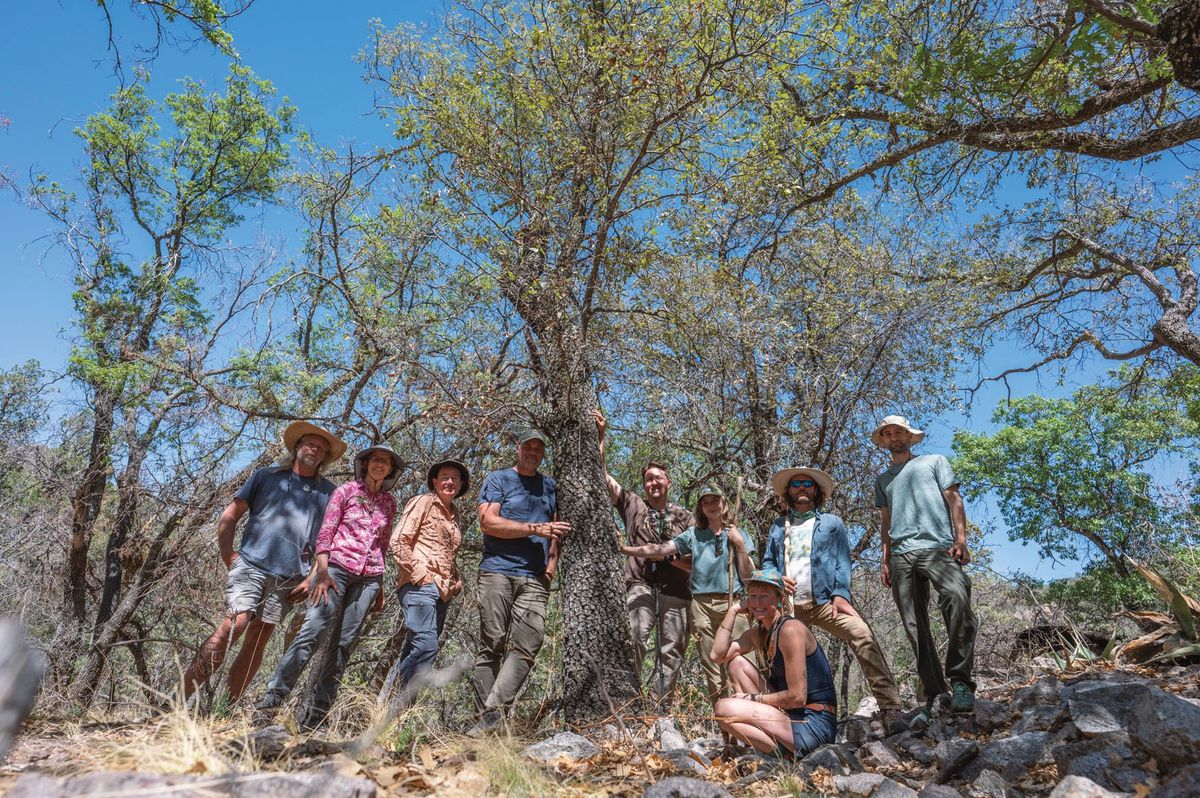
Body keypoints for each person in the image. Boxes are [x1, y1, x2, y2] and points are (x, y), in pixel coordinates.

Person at [181, 421, 345, 704]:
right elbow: (230, 515)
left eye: (320, 449)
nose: (314, 450)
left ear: (324, 458)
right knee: (236, 623)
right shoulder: (266, 476)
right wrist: (228, 555)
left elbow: (327, 539)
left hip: (290, 578)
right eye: (309, 444)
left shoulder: (329, 493)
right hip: (252, 565)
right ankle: (176, 700)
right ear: (297, 447)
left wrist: (311, 578)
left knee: (258, 638)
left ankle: (225, 709)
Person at [257, 444, 403, 727]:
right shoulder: (346, 491)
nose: (380, 465)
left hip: (370, 577)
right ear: (365, 464)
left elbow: (382, 545)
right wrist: (321, 571)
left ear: (390, 470)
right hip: (335, 569)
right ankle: (270, 704)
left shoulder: (389, 502)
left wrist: (381, 583)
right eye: (375, 460)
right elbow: (326, 532)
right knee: (312, 631)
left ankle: (316, 718)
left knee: (344, 643)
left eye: (386, 462)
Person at [762, 466, 905, 734]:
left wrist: (841, 594)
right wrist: (775, 578)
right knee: (777, 660)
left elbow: (842, 561)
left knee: (862, 635)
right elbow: (769, 562)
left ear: (815, 490)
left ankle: (890, 708)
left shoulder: (831, 524)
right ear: (788, 491)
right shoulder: (779, 527)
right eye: (796, 484)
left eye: (807, 483)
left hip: (825, 603)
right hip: (789, 608)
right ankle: (782, 720)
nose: (801, 488)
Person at [873, 414, 979, 715]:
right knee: (913, 624)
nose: (894, 438)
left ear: (909, 436)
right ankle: (935, 692)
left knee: (957, 597)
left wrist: (961, 539)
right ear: (883, 441)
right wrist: (885, 559)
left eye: (899, 433)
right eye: (888, 434)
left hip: (937, 547)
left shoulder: (934, 462)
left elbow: (954, 499)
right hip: (901, 555)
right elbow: (886, 521)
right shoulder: (883, 480)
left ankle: (960, 680)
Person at [470, 430, 570, 734]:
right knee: (492, 645)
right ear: (518, 449)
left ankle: (491, 717)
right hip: (497, 571)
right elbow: (488, 522)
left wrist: (551, 566)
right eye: (528, 446)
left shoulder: (550, 485)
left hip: (536, 578)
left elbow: (558, 529)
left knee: (529, 642)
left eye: (539, 448)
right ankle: (486, 728)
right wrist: (534, 528)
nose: (533, 452)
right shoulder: (499, 479)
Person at [593, 410, 693, 705]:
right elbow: (603, 477)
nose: (653, 483)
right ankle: (628, 700)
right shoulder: (633, 505)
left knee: (671, 649)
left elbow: (693, 559)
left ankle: (659, 709)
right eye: (648, 479)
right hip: (639, 584)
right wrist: (601, 437)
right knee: (635, 635)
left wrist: (668, 558)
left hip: (677, 590)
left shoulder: (685, 516)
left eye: (658, 478)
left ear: (669, 483)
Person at [621, 484, 755, 702]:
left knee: (743, 662)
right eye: (705, 502)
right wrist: (627, 549)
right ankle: (725, 726)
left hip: (735, 605)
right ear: (700, 508)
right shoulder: (693, 534)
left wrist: (739, 545)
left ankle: (751, 720)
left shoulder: (738, 534)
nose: (711, 506)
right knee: (712, 668)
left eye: (715, 500)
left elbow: (749, 577)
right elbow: (662, 549)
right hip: (701, 607)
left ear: (724, 502)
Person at [710, 568, 838, 759]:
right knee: (735, 663)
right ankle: (776, 750)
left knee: (723, 709)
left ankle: (780, 755)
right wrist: (733, 611)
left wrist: (754, 699)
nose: (757, 602)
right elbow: (717, 656)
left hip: (812, 721)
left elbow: (797, 697)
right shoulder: (759, 633)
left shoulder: (790, 630)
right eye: (752, 596)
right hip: (788, 715)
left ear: (779, 599)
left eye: (764, 596)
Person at [382, 457, 470, 697]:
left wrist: (455, 580)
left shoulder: (455, 514)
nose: (450, 482)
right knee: (425, 645)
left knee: (414, 648)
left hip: (442, 593)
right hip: (418, 585)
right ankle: (397, 704)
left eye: (455, 478)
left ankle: (390, 713)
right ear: (434, 482)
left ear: (461, 484)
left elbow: (446, 553)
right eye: (444, 478)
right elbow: (399, 541)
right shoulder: (423, 502)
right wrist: (421, 575)